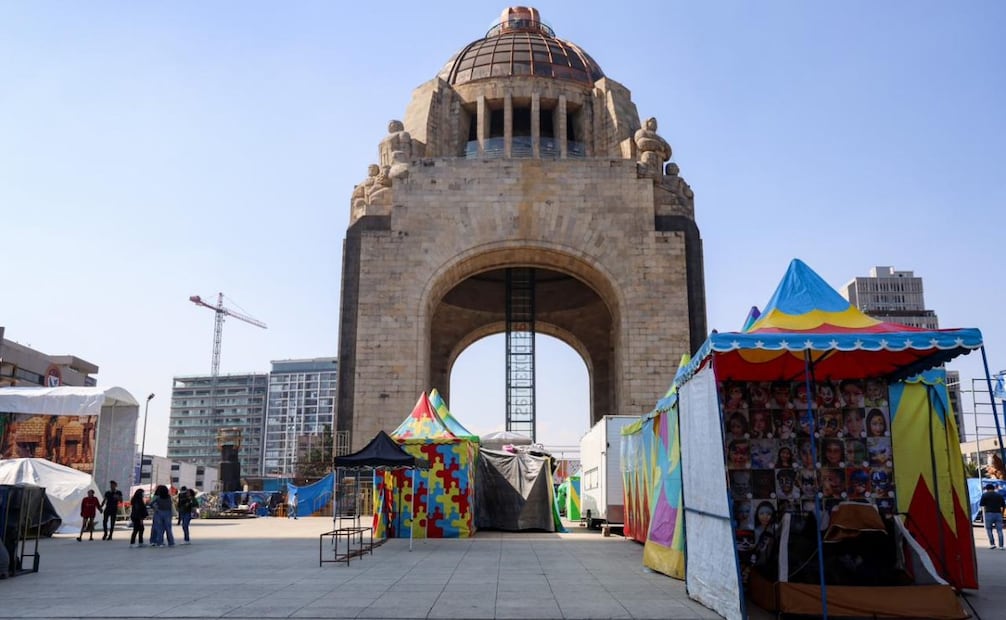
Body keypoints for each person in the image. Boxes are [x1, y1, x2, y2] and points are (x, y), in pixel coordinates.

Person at [979, 483, 1005, 550]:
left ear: (987, 489)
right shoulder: (999, 495)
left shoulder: (985, 495)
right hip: (998, 514)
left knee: (989, 529)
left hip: (989, 513)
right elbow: (1003, 505)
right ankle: (1001, 546)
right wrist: (1001, 513)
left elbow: (982, 505)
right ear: (993, 488)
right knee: (999, 530)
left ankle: (992, 544)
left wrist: (984, 512)